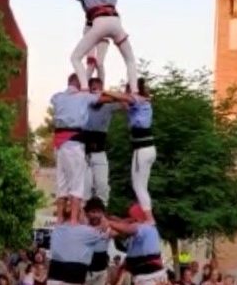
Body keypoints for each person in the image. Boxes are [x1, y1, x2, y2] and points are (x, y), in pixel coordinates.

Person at [70, 0, 137, 93]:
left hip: (97, 24)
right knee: (129, 59)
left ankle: (85, 89)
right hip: (113, 22)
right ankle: (134, 90)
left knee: (82, 59)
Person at [50, 74, 103, 223]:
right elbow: (101, 98)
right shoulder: (83, 96)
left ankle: (60, 219)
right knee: (77, 182)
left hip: (59, 144)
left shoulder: (58, 97)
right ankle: (73, 220)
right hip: (74, 142)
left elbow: (55, 100)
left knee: (62, 182)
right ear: (81, 84)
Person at [105, 203, 164, 285]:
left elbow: (127, 228)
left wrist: (108, 222)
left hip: (150, 276)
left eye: (133, 217)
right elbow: (123, 229)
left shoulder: (146, 228)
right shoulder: (136, 235)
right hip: (141, 277)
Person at [106, 79, 157, 221]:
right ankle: (143, 216)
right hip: (146, 148)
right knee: (142, 186)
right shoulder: (141, 103)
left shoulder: (139, 99)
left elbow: (124, 98)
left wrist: (104, 91)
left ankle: (149, 218)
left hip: (142, 149)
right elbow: (124, 104)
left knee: (138, 186)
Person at [48, 209, 109, 285]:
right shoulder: (85, 231)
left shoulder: (58, 228)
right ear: (79, 215)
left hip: (53, 279)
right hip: (71, 283)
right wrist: (100, 213)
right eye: (84, 214)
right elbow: (105, 227)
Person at [83, 78, 121, 205]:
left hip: (100, 151)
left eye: (99, 89)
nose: (96, 92)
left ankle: (102, 212)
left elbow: (126, 103)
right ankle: (83, 215)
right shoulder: (84, 103)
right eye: (93, 89)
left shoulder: (108, 106)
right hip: (84, 153)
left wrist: (109, 93)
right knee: (85, 188)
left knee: (102, 185)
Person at [83, 197, 111, 285]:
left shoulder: (107, 228)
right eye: (93, 212)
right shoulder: (83, 228)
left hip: (101, 272)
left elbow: (121, 232)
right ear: (87, 213)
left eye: (99, 212)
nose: (95, 215)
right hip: (86, 273)